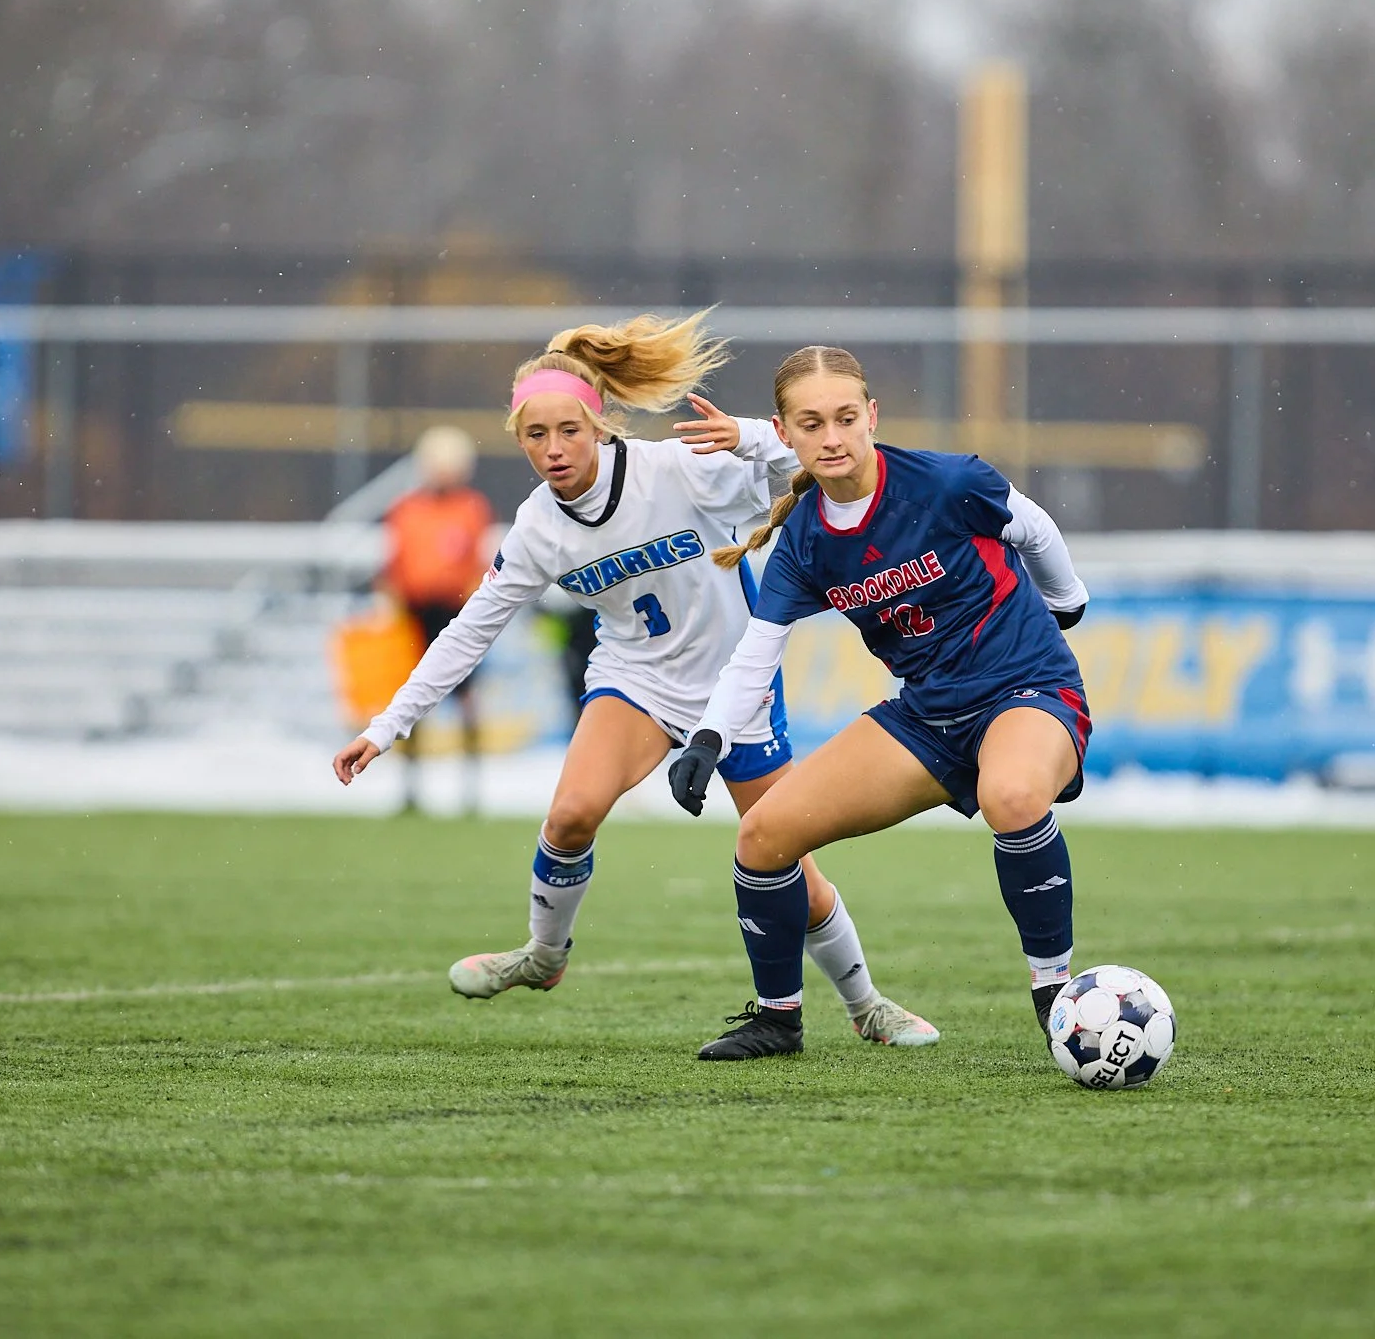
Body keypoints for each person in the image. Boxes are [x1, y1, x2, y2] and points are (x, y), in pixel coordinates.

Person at [333, 314, 939, 1048]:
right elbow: (470, 631)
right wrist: (386, 726)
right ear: (518, 439)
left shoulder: (677, 471)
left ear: (599, 426)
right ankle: (543, 956)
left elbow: (810, 467)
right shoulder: (536, 529)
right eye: (536, 435)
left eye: (570, 430)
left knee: (787, 864)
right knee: (569, 816)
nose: (555, 449)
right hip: (636, 681)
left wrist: (752, 435)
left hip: (734, 688)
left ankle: (866, 1004)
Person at [668, 345, 1090, 1062]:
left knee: (1012, 796)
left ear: (871, 416)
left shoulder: (947, 482)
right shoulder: (804, 541)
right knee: (763, 836)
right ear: (784, 433)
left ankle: (1055, 991)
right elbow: (756, 652)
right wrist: (708, 738)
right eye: (811, 424)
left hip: (1027, 689)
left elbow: (1035, 529)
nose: (831, 437)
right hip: (926, 717)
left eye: (844, 418)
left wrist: (1066, 602)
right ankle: (778, 1020)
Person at [379, 426, 495, 812]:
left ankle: (471, 790)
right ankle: (410, 788)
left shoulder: (471, 508)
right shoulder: (406, 509)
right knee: (413, 698)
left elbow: (476, 564)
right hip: (415, 614)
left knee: (467, 701)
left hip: (456, 615)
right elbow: (396, 564)